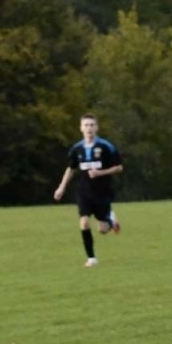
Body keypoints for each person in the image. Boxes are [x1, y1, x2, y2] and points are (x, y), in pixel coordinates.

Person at [52, 113, 123, 267]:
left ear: (96, 127)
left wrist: (100, 173)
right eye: (86, 125)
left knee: (103, 230)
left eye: (92, 125)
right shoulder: (76, 149)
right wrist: (61, 187)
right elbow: (70, 168)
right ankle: (91, 258)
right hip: (84, 192)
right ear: (81, 128)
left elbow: (119, 167)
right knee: (84, 223)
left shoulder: (106, 147)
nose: (89, 128)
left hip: (103, 193)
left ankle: (111, 220)